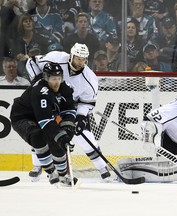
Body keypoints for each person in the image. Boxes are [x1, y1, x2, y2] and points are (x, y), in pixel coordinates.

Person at [25, 43, 111, 181]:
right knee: (41, 132)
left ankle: (102, 168)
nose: (81, 62)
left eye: (84, 59)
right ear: (71, 56)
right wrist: (38, 82)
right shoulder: (56, 58)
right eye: (78, 58)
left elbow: (87, 101)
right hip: (49, 103)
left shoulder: (89, 78)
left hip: (70, 108)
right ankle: (37, 165)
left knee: (84, 135)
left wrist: (81, 117)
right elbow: (31, 62)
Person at [10, 62, 77, 186]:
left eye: (58, 78)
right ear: (46, 78)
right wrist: (62, 137)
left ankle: (62, 175)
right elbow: (44, 121)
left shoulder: (65, 87)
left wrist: (68, 127)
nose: (57, 82)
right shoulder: (40, 91)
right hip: (22, 117)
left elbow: (69, 109)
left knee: (59, 137)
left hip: (43, 116)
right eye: (53, 79)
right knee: (38, 135)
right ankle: (51, 172)